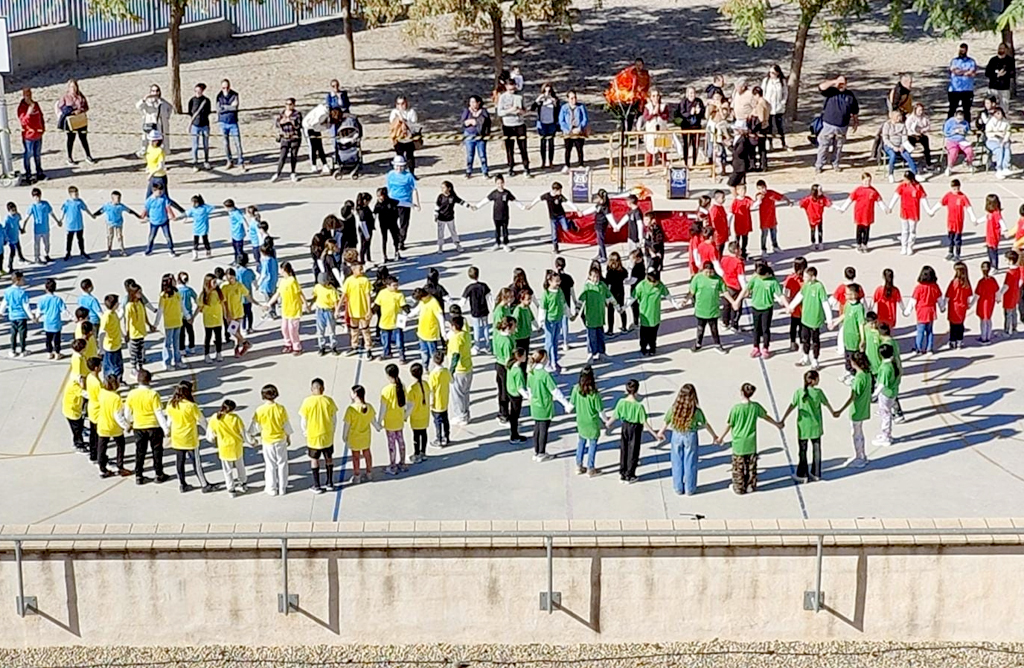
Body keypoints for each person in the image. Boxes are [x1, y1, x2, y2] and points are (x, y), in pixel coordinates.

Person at [715, 383, 782, 493]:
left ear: (741, 392)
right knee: (751, 466)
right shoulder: (755, 407)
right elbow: (766, 416)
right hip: (751, 442)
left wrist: (721, 437)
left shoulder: (736, 409)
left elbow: (730, 424)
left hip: (739, 443)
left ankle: (739, 487)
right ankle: (751, 485)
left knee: (739, 468)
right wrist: (777, 424)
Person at [780, 370, 838, 482]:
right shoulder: (818, 392)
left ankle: (802, 474)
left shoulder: (799, 392)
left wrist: (783, 419)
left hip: (803, 427)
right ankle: (816, 473)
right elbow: (827, 404)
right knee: (817, 450)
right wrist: (834, 412)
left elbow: (791, 406)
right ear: (813, 380)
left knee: (802, 451)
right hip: (816, 426)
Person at [730, 259, 789, 358]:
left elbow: (780, 295)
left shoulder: (773, 281)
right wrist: (737, 301)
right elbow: (746, 289)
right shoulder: (755, 278)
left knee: (765, 329)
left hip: (767, 308)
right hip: (756, 307)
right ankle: (755, 347)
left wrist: (787, 306)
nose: (759, 277)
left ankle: (765, 348)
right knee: (756, 329)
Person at [124, 368, 169, 485]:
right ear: (149, 380)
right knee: (157, 451)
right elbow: (158, 412)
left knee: (140, 451)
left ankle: (139, 475)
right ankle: (159, 474)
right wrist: (166, 428)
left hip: (139, 426)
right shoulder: (153, 394)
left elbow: (127, 411)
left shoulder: (132, 394)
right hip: (153, 426)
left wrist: (127, 424)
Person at [526, 350, 571, 461]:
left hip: (535, 404)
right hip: (544, 405)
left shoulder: (531, 372)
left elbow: (529, 389)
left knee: (537, 428)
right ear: (543, 360)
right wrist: (566, 404)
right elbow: (555, 391)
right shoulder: (545, 375)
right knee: (543, 430)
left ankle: (536, 451)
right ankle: (542, 452)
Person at [248, 383, 292, 496]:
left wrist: (251, 437)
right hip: (280, 439)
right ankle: (283, 487)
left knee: (270, 465)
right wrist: (288, 437)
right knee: (282, 463)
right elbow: (286, 425)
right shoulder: (281, 409)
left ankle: (271, 488)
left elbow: (255, 426)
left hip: (267, 441)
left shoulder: (260, 410)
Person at [299, 378, 339, 494]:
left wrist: (305, 432)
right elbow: (334, 418)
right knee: (329, 458)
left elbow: (303, 420)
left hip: (313, 436)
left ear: (312, 389)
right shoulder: (329, 401)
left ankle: (317, 485)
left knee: (314, 459)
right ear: (323, 388)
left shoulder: (307, 402)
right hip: (327, 435)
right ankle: (330, 482)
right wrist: (332, 430)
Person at [814, 76, 859, 173]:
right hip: (828, 124)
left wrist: (855, 122)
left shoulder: (850, 95)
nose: (841, 85)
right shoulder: (831, 91)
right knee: (824, 146)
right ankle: (819, 165)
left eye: (844, 83)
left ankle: (835, 164)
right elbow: (821, 87)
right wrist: (834, 82)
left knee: (838, 147)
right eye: (840, 83)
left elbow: (855, 110)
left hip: (842, 126)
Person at [568, 366, 606, 476]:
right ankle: (590, 467)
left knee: (581, 442)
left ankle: (578, 465)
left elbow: (570, 406)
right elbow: (600, 411)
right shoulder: (594, 394)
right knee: (592, 444)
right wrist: (606, 421)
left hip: (581, 421)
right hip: (592, 423)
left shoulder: (576, 389)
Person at [205, 400, 248, 496]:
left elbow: (210, 433)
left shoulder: (215, 417)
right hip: (236, 446)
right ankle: (243, 483)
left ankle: (231, 489)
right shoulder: (236, 418)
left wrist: (212, 440)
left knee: (227, 470)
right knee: (240, 466)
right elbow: (243, 432)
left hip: (224, 447)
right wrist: (251, 441)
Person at [634, 269, 678, 356]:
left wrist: (676, 304)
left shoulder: (660, 286)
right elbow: (633, 297)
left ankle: (652, 348)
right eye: (654, 283)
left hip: (655, 315)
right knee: (644, 334)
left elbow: (668, 295)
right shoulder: (641, 286)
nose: (656, 284)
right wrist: (623, 307)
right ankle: (643, 348)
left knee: (653, 335)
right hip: (645, 315)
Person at [836, 172, 884, 252]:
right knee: (859, 230)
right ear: (862, 181)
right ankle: (858, 244)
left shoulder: (873, 191)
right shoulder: (858, 190)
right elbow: (850, 199)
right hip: (859, 214)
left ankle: (864, 244)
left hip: (868, 215)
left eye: (869, 181)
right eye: (865, 181)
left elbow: (879, 200)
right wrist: (843, 208)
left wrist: (884, 208)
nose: (867, 183)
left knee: (866, 231)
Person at [526, 182, 578, 254]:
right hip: (553, 217)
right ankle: (555, 247)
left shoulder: (560, 197)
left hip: (561, 215)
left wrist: (576, 209)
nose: (561, 192)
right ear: (554, 190)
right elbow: (538, 198)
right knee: (554, 232)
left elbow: (568, 202)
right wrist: (531, 205)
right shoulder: (547, 196)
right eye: (560, 191)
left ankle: (570, 223)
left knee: (565, 228)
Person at [96, 375, 131, 478]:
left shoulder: (102, 393)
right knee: (120, 445)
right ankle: (120, 466)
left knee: (101, 448)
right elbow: (118, 416)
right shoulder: (116, 398)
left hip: (103, 425)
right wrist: (126, 426)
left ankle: (102, 469)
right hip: (114, 427)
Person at [54, 79, 96, 165]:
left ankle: (88, 156)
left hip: (80, 119)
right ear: (69, 88)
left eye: (75, 87)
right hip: (71, 121)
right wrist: (71, 112)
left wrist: (80, 110)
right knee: (70, 139)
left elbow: (86, 107)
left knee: (83, 138)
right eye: (72, 87)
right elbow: (60, 108)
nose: (73, 89)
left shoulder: (81, 96)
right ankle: (69, 157)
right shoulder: (65, 97)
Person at [689, 261, 727, 353]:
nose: (709, 274)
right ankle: (698, 344)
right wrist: (685, 300)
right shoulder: (697, 278)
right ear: (703, 270)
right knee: (700, 328)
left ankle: (717, 344)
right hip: (701, 309)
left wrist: (733, 302)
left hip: (713, 309)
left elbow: (724, 292)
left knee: (714, 328)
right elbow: (691, 292)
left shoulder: (718, 279)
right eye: (707, 272)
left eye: (711, 272)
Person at [932, 178, 975, 262]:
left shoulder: (962, 197)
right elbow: (940, 203)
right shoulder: (948, 195)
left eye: (958, 188)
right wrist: (933, 210)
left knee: (957, 239)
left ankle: (957, 254)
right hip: (950, 222)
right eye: (954, 189)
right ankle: (950, 252)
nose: (956, 190)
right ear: (951, 188)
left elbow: (968, 207)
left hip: (958, 222)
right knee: (950, 238)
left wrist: (972, 217)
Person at [378, 363, 409, 475]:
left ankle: (392, 465)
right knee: (401, 440)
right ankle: (402, 462)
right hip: (399, 419)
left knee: (391, 444)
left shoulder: (386, 390)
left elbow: (383, 408)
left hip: (390, 421)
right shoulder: (402, 386)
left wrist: (379, 421)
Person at [888, 171, 929, 256]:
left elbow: (923, 198)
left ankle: (910, 246)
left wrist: (928, 210)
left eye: (906, 179)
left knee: (912, 230)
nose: (905, 180)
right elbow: (896, 196)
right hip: (904, 211)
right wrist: (890, 207)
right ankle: (904, 246)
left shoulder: (918, 187)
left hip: (914, 212)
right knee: (904, 230)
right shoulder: (902, 186)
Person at [385, 155, 420, 253]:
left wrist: (416, 204)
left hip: (405, 203)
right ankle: (397, 238)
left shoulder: (408, 176)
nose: (398, 168)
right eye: (397, 166)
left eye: (401, 166)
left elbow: (414, 190)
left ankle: (401, 241)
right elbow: (388, 188)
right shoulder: (390, 174)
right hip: (393, 203)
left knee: (404, 224)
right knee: (393, 223)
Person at [905, 265, 942, 355]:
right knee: (930, 331)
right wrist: (942, 307)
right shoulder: (935, 287)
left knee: (920, 331)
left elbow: (913, 300)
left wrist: (907, 311)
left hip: (922, 312)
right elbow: (939, 298)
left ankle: (918, 348)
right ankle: (929, 348)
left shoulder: (919, 287)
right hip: (931, 311)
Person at [496, 78, 530, 177]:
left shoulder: (519, 96)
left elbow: (525, 110)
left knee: (523, 147)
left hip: (519, 124)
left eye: (513, 88)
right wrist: (510, 110)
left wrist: (521, 111)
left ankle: (526, 167)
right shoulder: (502, 97)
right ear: (506, 87)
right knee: (509, 148)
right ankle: (510, 167)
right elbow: (499, 112)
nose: (512, 90)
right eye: (510, 89)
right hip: (508, 125)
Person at [343, 385, 377, 483]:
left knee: (356, 456)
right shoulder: (369, 407)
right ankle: (369, 472)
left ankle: (357, 475)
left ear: (355, 394)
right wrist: (379, 427)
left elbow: (347, 425)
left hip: (354, 437)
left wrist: (344, 436)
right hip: (365, 436)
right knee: (367, 453)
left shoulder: (351, 409)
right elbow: (373, 421)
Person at [17, 88, 46, 184]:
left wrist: (43, 128)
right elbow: (23, 121)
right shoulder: (22, 107)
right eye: (26, 95)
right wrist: (29, 112)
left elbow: (41, 116)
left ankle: (39, 172)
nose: (28, 97)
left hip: (38, 134)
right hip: (28, 136)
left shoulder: (36, 104)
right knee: (28, 154)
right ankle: (28, 174)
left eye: (29, 94)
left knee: (37, 155)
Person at [271, 98, 302, 183]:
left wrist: (291, 122)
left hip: (294, 137)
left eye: (290, 104)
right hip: (284, 137)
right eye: (286, 104)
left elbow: (299, 126)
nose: (288, 106)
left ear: (293, 105)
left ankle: (293, 173)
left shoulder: (297, 114)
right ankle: (278, 173)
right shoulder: (282, 113)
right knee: (282, 156)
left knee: (293, 156)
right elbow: (277, 124)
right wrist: (281, 122)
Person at [640, 88, 671, 172]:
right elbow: (645, 117)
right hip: (651, 131)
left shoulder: (664, 106)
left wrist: (659, 113)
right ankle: (647, 167)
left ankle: (664, 166)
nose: (655, 98)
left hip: (661, 130)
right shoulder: (647, 107)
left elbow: (666, 116)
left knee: (663, 150)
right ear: (650, 97)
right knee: (649, 149)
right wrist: (653, 113)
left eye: (657, 96)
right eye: (653, 96)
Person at [881, 110, 917, 181]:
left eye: (900, 116)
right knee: (893, 156)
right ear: (893, 117)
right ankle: (890, 174)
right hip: (890, 146)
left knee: (907, 155)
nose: (899, 118)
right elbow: (885, 139)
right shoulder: (887, 125)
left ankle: (915, 173)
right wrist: (893, 147)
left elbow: (904, 137)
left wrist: (902, 146)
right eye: (897, 116)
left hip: (900, 145)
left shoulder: (902, 125)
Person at [461, 95, 491, 178]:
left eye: (474, 102)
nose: (472, 104)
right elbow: (463, 122)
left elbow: (485, 121)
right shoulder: (467, 111)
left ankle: (485, 171)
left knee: (482, 155)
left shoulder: (483, 111)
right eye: (471, 102)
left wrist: (475, 121)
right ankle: (468, 171)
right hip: (469, 135)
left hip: (480, 136)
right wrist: (469, 122)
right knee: (470, 155)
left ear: (479, 102)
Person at [216, 79, 244, 169]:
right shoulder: (219, 96)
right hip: (223, 122)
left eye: (227, 87)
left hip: (233, 122)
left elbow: (235, 107)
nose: (226, 89)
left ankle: (240, 161)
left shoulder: (234, 95)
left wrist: (224, 107)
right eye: (224, 87)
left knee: (238, 143)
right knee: (225, 143)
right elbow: (218, 110)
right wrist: (229, 107)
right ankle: (229, 160)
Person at [60, 185, 93, 261]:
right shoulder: (67, 203)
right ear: (70, 194)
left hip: (79, 224)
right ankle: (68, 252)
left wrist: (91, 215)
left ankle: (82, 251)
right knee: (69, 239)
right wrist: (60, 220)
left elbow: (85, 209)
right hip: (70, 225)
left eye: (77, 194)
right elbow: (63, 212)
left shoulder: (79, 201)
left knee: (80, 239)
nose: (77, 195)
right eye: (75, 194)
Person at [389, 95, 421, 174]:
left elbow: (414, 124)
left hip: (409, 138)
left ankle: (411, 173)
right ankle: (400, 173)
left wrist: (404, 122)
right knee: (399, 157)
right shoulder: (394, 112)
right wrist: (399, 117)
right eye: (398, 104)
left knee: (410, 156)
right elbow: (392, 123)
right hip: (398, 139)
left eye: (403, 103)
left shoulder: (411, 112)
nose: (401, 106)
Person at [945, 261, 973, 350]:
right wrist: (969, 304)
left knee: (953, 326)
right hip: (962, 307)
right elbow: (969, 296)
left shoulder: (954, 282)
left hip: (954, 306)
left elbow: (948, 295)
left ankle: (952, 341)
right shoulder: (966, 283)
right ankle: (959, 341)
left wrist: (943, 305)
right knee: (960, 324)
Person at [559, 90, 589, 172]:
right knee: (568, 149)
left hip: (578, 130)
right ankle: (567, 165)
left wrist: (580, 128)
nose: (574, 100)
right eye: (571, 98)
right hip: (568, 131)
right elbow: (561, 120)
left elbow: (585, 119)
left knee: (579, 148)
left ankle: (581, 164)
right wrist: (567, 129)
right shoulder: (564, 108)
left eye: (575, 98)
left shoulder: (581, 107)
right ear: (568, 99)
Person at [532, 82, 561, 170]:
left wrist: (553, 100)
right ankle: (543, 162)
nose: (547, 93)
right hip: (542, 123)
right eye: (545, 91)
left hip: (551, 123)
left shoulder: (554, 99)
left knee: (551, 143)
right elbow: (532, 108)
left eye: (549, 91)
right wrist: (538, 99)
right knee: (543, 143)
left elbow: (558, 108)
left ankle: (551, 162)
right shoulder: (541, 100)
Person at [948, 42, 978, 121]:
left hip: (967, 89)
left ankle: (967, 126)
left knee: (967, 110)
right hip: (955, 89)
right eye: (961, 50)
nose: (962, 52)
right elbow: (954, 71)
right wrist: (965, 72)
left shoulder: (971, 61)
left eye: (964, 50)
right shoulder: (954, 61)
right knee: (952, 108)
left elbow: (972, 73)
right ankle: (949, 125)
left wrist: (961, 72)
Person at [428, 350, 452, 447]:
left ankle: (439, 438)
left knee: (437, 420)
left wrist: (431, 402)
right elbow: (452, 380)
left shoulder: (433, 374)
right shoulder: (446, 371)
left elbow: (431, 390)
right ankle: (447, 436)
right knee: (445, 419)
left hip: (436, 401)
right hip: (445, 399)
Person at [761, 65, 789, 151]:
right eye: (770, 72)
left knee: (779, 126)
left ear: (778, 73)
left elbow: (785, 93)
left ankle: (783, 143)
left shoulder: (782, 81)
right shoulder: (766, 81)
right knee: (769, 126)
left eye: (773, 73)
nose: (771, 74)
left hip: (778, 108)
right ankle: (770, 144)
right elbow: (763, 93)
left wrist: (783, 102)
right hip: (769, 107)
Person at [187, 83, 213, 170]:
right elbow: (190, 112)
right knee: (195, 145)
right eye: (196, 90)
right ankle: (195, 163)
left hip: (205, 124)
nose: (198, 92)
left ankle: (206, 161)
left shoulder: (206, 100)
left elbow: (208, 111)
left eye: (199, 91)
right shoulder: (192, 101)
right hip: (195, 125)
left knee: (206, 145)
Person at [302, 102, 332, 175]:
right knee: (313, 147)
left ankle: (325, 164)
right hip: (308, 127)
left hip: (315, 128)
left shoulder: (324, 112)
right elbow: (315, 124)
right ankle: (313, 165)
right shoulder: (321, 113)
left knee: (320, 147)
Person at [943, 109, 975, 174]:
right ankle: (949, 167)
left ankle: (969, 163)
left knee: (969, 150)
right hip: (951, 140)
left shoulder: (965, 123)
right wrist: (954, 132)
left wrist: (963, 132)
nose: (959, 121)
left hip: (962, 140)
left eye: (961, 119)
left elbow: (967, 131)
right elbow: (945, 133)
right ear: (955, 116)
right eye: (958, 119)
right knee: (953, 152)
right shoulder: (949, 122)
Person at [799, 185, 831, 250]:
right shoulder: (809, 199)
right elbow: (801, 203)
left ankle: (820, 243)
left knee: (820, 230)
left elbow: (829, 203)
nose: (821, 192)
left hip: (819, 217)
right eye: (820, 190)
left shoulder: (822, 198)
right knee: (813, 231)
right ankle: (813, 243)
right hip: (812, 218)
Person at [985, 43, 1015, 111]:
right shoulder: (993, 60)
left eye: (1002, 48)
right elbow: (987, 73)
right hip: (993, 87)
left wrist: (1005, 74)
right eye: (999, 48)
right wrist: (996, 75)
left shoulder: (1010, 60)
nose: (1001, 50)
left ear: (1006, 50)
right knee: (991, 107)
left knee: (1004, 107)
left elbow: (1012, 73)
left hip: (1004, 88)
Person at [984, 106, 1013, 178]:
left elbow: (1008, 131)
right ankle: (999, 168)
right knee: (999, 150)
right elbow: (988, 133)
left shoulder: (1006, 121)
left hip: (1003, 140)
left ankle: (1005, 167)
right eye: (997, 113)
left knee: (1007, 149)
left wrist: (1005, 139)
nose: (999, 115)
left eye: (1000, 113)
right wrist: (996, 134)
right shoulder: (990, 122)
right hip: (992, 140)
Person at [904, 103, 933, 168]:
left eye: (922, 110)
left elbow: (928, 126)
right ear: (915, 110)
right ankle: (907, 160)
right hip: (912, 135)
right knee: (909, 148)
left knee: (927, 147)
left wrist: (923, 130)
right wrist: (914, 132)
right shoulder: (910, 118)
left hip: (921, 134)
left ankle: (928, 163)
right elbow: (907, 128)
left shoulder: (924, 117)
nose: (921, 112)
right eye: (919, 110)